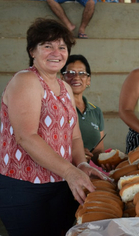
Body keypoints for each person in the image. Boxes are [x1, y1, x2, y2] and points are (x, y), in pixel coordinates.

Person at [0, 18, 107, 236]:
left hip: (60, 184)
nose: (56, 52)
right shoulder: (26, 80)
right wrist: (71, 171)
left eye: (62, 47)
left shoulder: (64, 87)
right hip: (25, 187)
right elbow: (26, 136)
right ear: (32, 51)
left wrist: (82, 164)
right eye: (47, 46)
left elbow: (75, 137)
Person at [60, 54, 114, 171]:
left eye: (82, 74)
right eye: (70, 73)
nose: (76, 77)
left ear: (88, 80)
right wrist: (76, 152)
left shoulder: (96, 111)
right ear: (61, 78)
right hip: (63, 173)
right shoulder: (56, 108)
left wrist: (107, 160)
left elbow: (98, 150)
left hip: (87, 174)